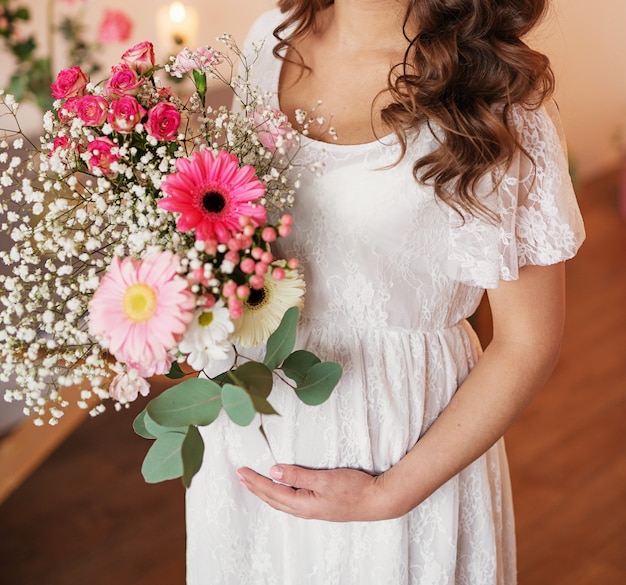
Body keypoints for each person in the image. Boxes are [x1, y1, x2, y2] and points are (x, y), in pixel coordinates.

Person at [186, 1, 585, 583]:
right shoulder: (269, 39)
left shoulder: (495, 93)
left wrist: (388, 495)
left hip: (402, 443)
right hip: (251, 422)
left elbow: (528, 341)